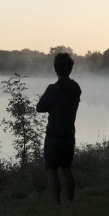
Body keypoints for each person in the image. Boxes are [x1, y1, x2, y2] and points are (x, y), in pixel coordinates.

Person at [36, 52, 82, 205]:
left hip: (54, 136)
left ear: (56, 69)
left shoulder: (53, 89)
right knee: (67, 170)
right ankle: (70, 202)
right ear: (70, 69)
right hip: (69, 135)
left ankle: (57, 206)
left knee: (52, 171)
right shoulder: (76, 88)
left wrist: (52, 106)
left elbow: (39, 107)